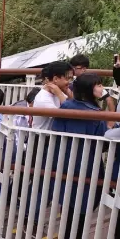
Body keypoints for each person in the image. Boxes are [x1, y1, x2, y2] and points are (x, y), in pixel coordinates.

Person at [50, 74, 107, 239]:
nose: (101, 88)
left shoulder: (67, 106)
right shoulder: (97, 115)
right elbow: (103, 144)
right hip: (87, 164)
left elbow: (56, 131)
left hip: (65, 160)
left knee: (68, 203)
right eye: (98, 85)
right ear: (89, 89)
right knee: (84, 205)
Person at [32, 60, 73, 130]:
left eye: (71, 78)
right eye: (67, 78)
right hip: (43, 138)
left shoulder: (57, 90)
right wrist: (60, 94)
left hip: (53, 137)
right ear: (56, 79)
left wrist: (68, 92)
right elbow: (70, 116)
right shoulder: (43, 99)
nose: (70, 82)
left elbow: (75, 107)